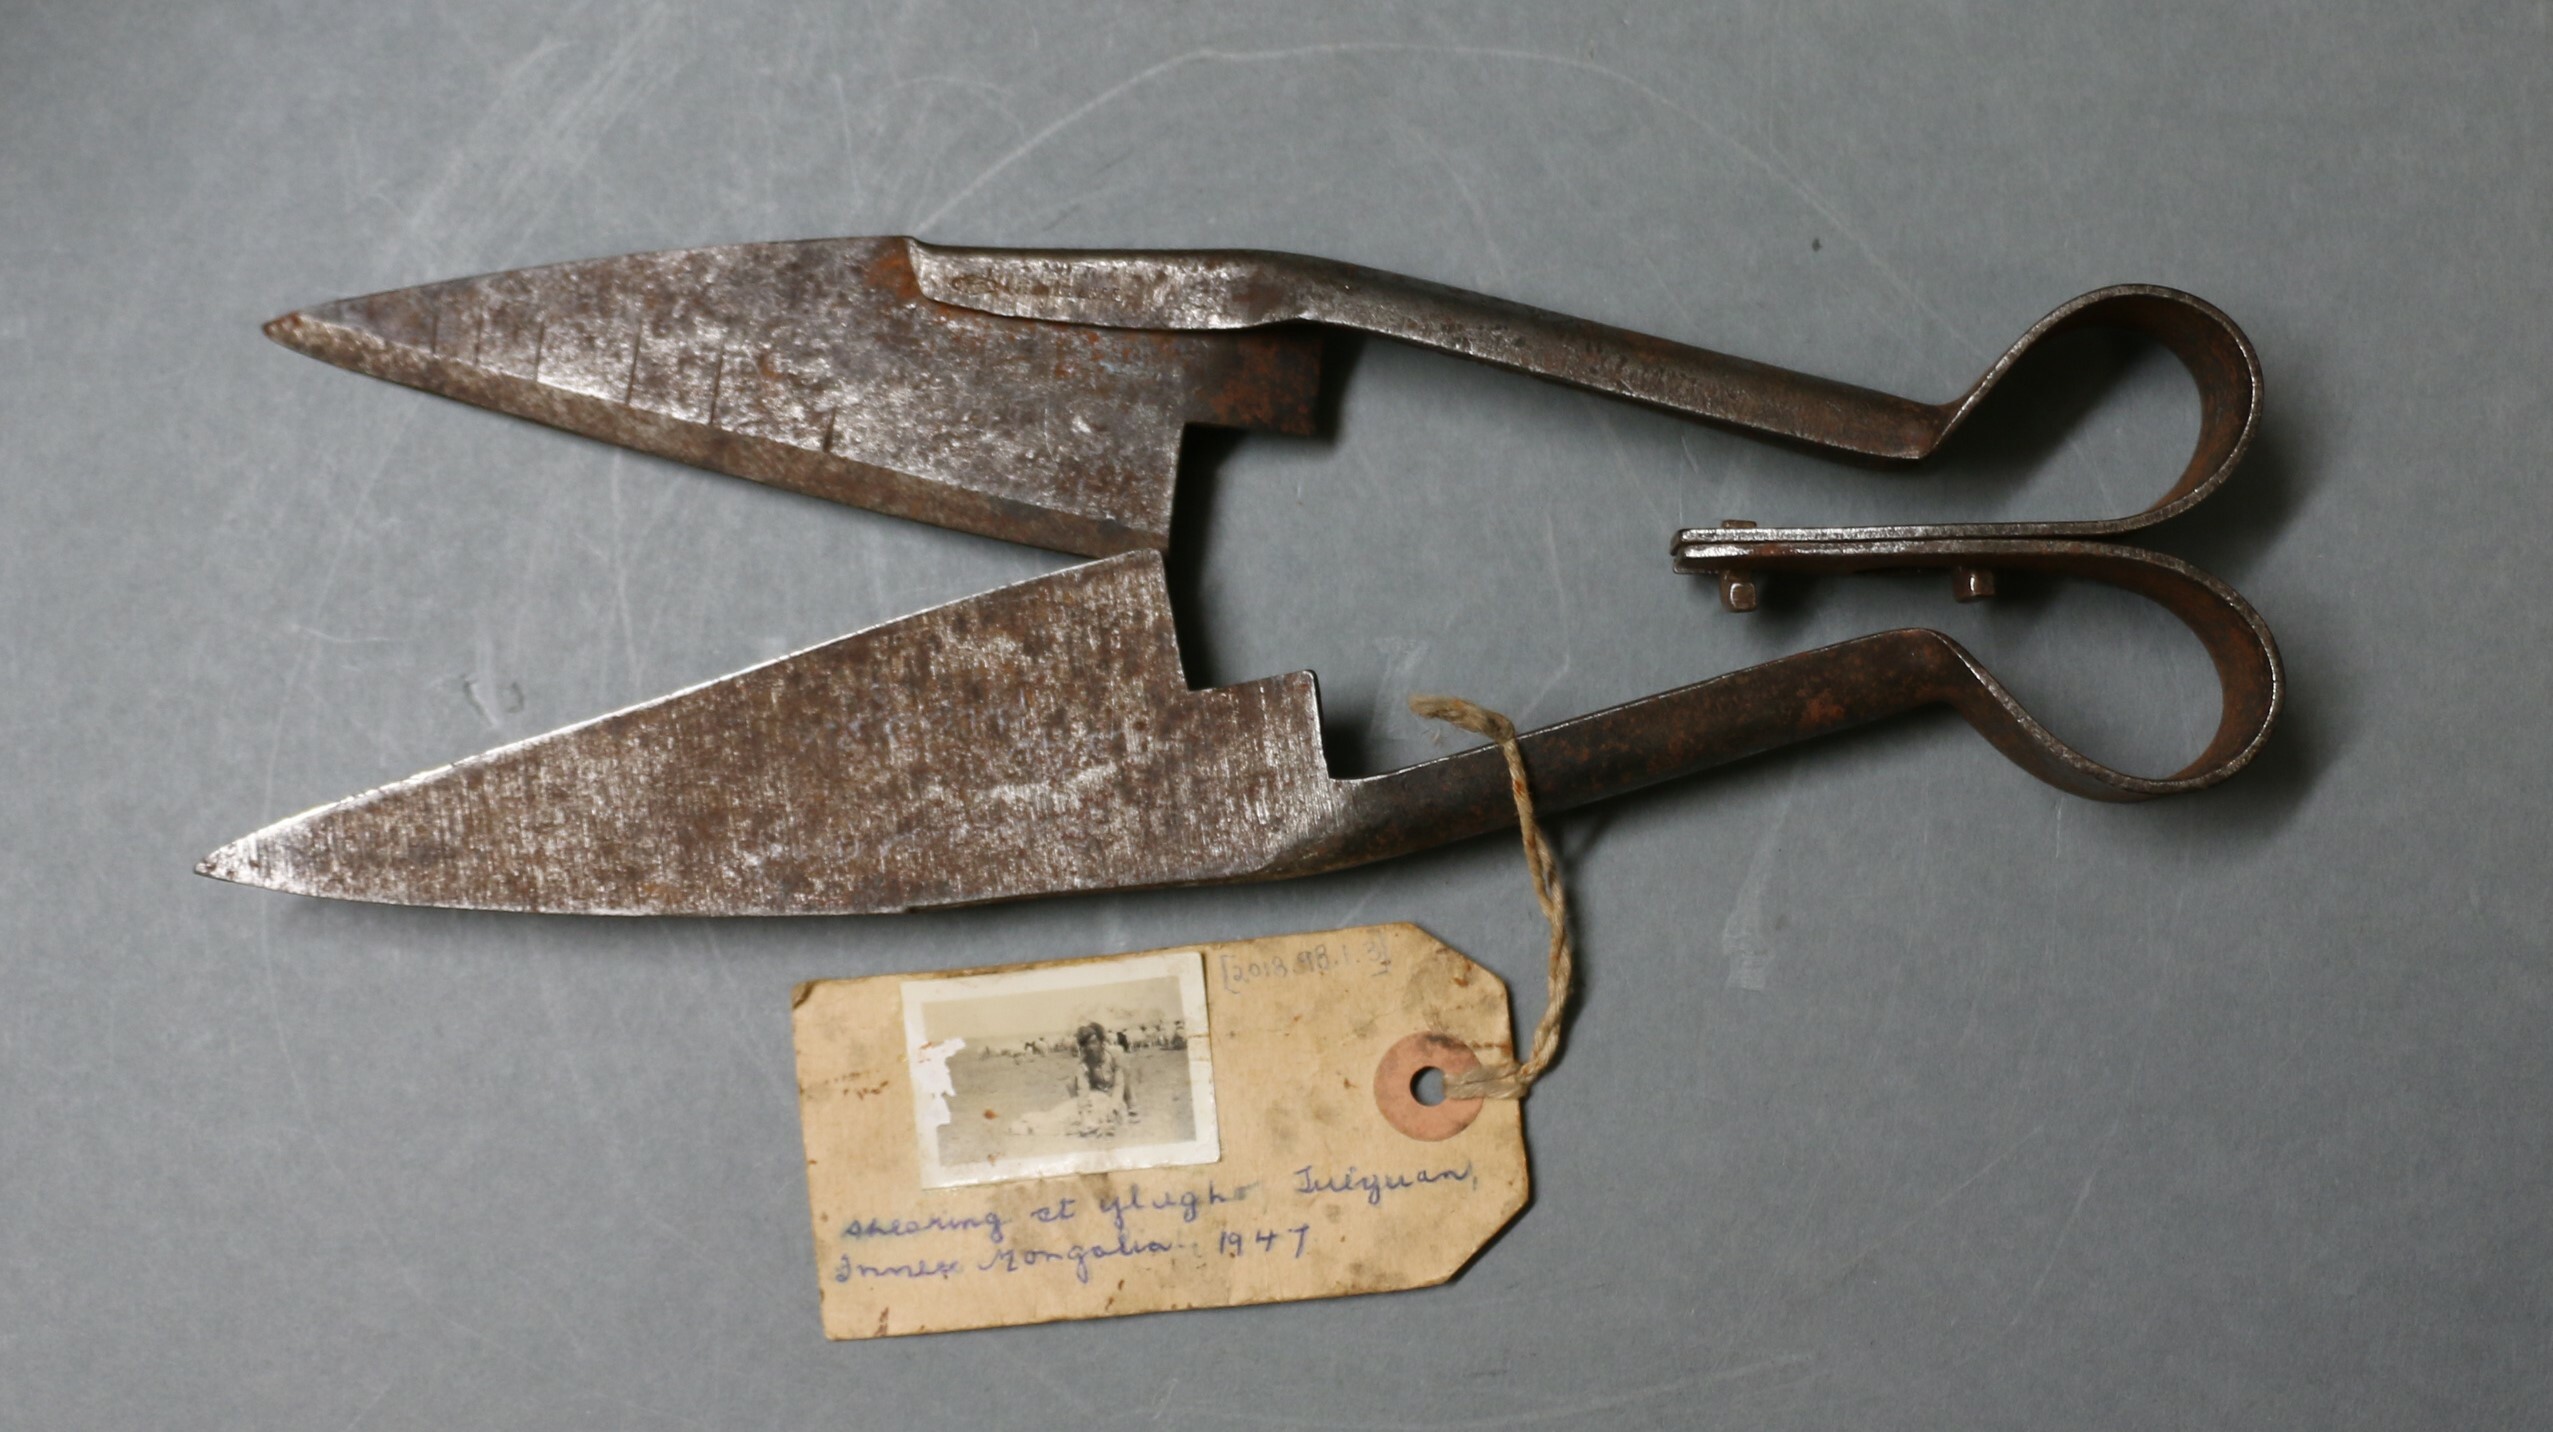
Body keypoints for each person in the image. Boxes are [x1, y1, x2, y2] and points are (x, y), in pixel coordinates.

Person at [1007, 1021, 1136, 1138]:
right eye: (1086, 1045)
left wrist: (1113, 1109)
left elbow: (1119, 1085)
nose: (1090, 1047)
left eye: (1093, 1042)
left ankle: (1132, 1107)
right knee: (1064, 1114)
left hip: (1114, 1099)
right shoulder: (1083, 1064)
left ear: (1101, 1042)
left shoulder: (1115, 1055)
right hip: (1095, 1096)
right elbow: (1082, 1089)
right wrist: (1084, 1113)